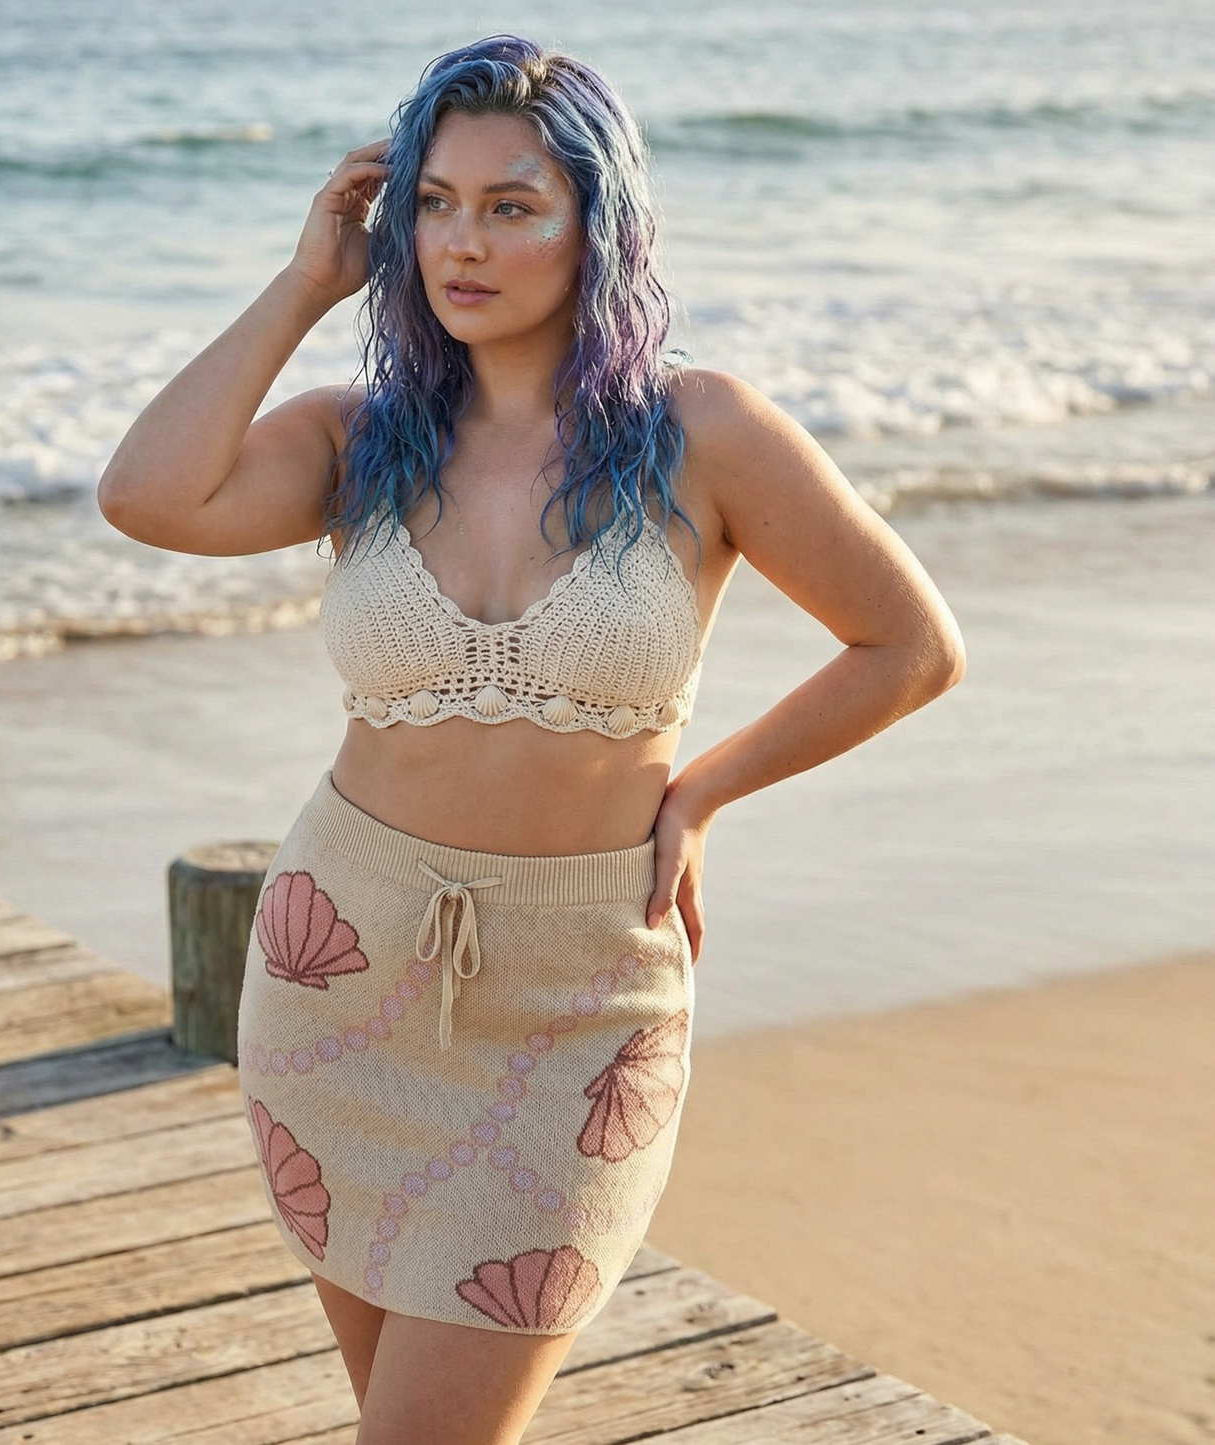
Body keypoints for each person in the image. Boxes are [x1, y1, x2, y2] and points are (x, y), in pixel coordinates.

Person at [97, 33, 964, 1445]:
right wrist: (307, 284)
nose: (462, 242)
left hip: (580, 1002)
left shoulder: (703, 433)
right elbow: (145, 495)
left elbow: (911, 647)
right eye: (433, 202)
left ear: (595, 224)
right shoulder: (355, 438)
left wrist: (707, 791)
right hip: (339, 966)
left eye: (513, 204)